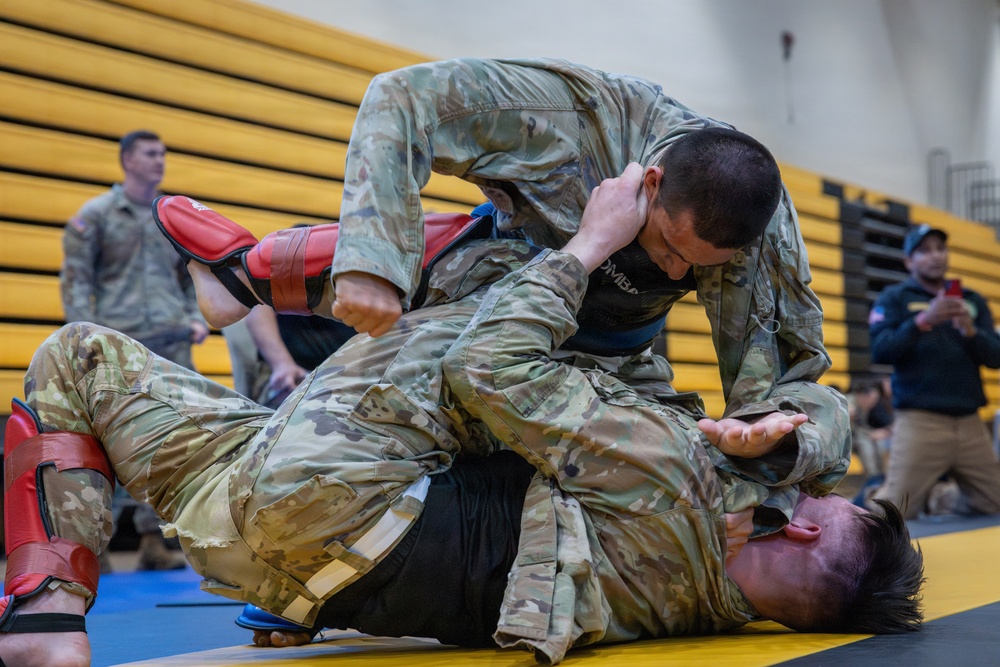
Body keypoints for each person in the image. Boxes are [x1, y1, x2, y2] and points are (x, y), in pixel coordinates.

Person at [1, 183, 923, 667]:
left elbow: (490, 367)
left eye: (825, 495)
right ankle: (45, 620)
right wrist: (794, 433)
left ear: (803, 525)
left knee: (501, 275)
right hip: (275, 559)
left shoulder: (689, 475)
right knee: (81, 357)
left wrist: (592, 243)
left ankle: (257, 271)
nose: (811, 483)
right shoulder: (707, 607)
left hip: (334, 490)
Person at [59, 129, 205, 571]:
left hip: (171, 341)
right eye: (150, 153)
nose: (160, 160)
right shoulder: (97, 214)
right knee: (106, 442)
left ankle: (153, 542)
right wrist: (83, 334)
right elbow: (77, 279)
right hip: (116, 345)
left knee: (165, 440)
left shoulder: (170, 216)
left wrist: (194, 315)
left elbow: (191, 274)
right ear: (127, 160)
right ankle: (94, 544)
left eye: (163, 153)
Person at [868, 223, 1000, 518]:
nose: (936, 256)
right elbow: (881, 351)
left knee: (994, 503)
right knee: (893, 513)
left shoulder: (971, 299)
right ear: (908, 261)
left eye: (940, 248)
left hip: (970, 423)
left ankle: (939, 498)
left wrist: (971, 331)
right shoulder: (895, 298)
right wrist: (923, 320)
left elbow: (996, 357)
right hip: (920, 421)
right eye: (924, 250)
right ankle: (871, 493)